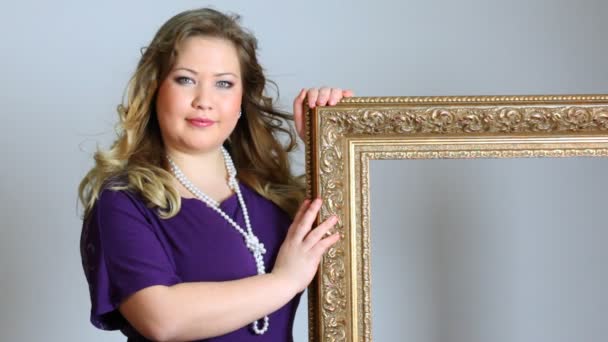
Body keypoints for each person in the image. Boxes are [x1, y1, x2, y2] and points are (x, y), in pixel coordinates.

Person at [78, 7, 353, 342]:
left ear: (241, 100)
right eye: (185, 80)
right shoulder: (125, 200)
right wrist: (284, 281)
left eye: (224, 83)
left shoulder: (273, 194)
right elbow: (161, 319)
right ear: (154, 91)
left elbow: (348, 254)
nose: (204, 100)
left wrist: (325, 141)